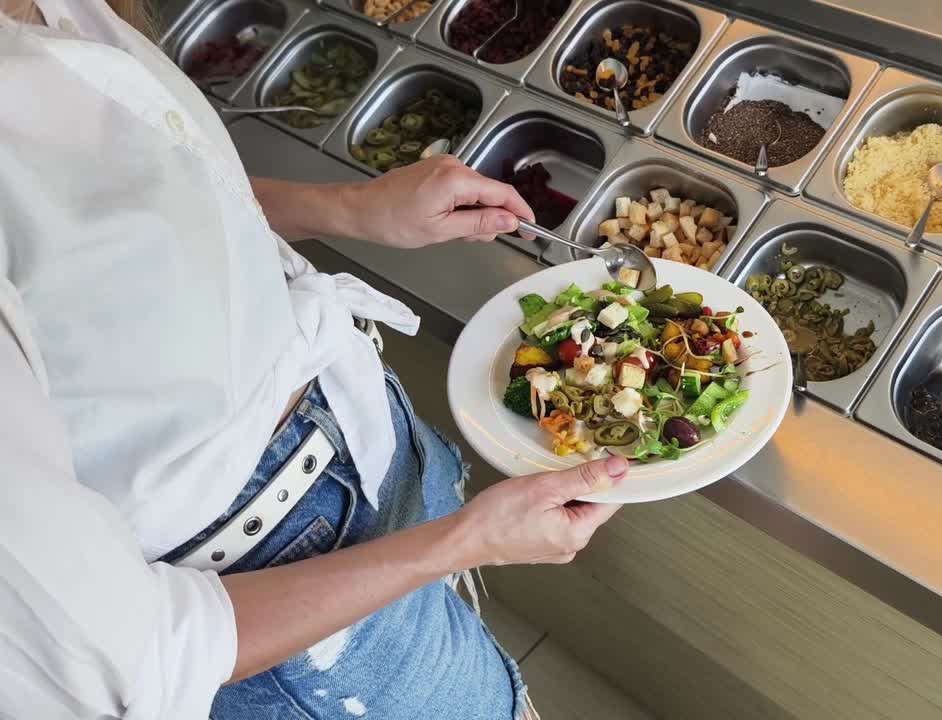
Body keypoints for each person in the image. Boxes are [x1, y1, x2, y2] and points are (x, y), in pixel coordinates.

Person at [0, 1, 629, 718]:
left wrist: (352, 210)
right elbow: (143, 659)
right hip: (267, 591)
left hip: (353, 445)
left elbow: (137, 219)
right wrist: (464, 541)